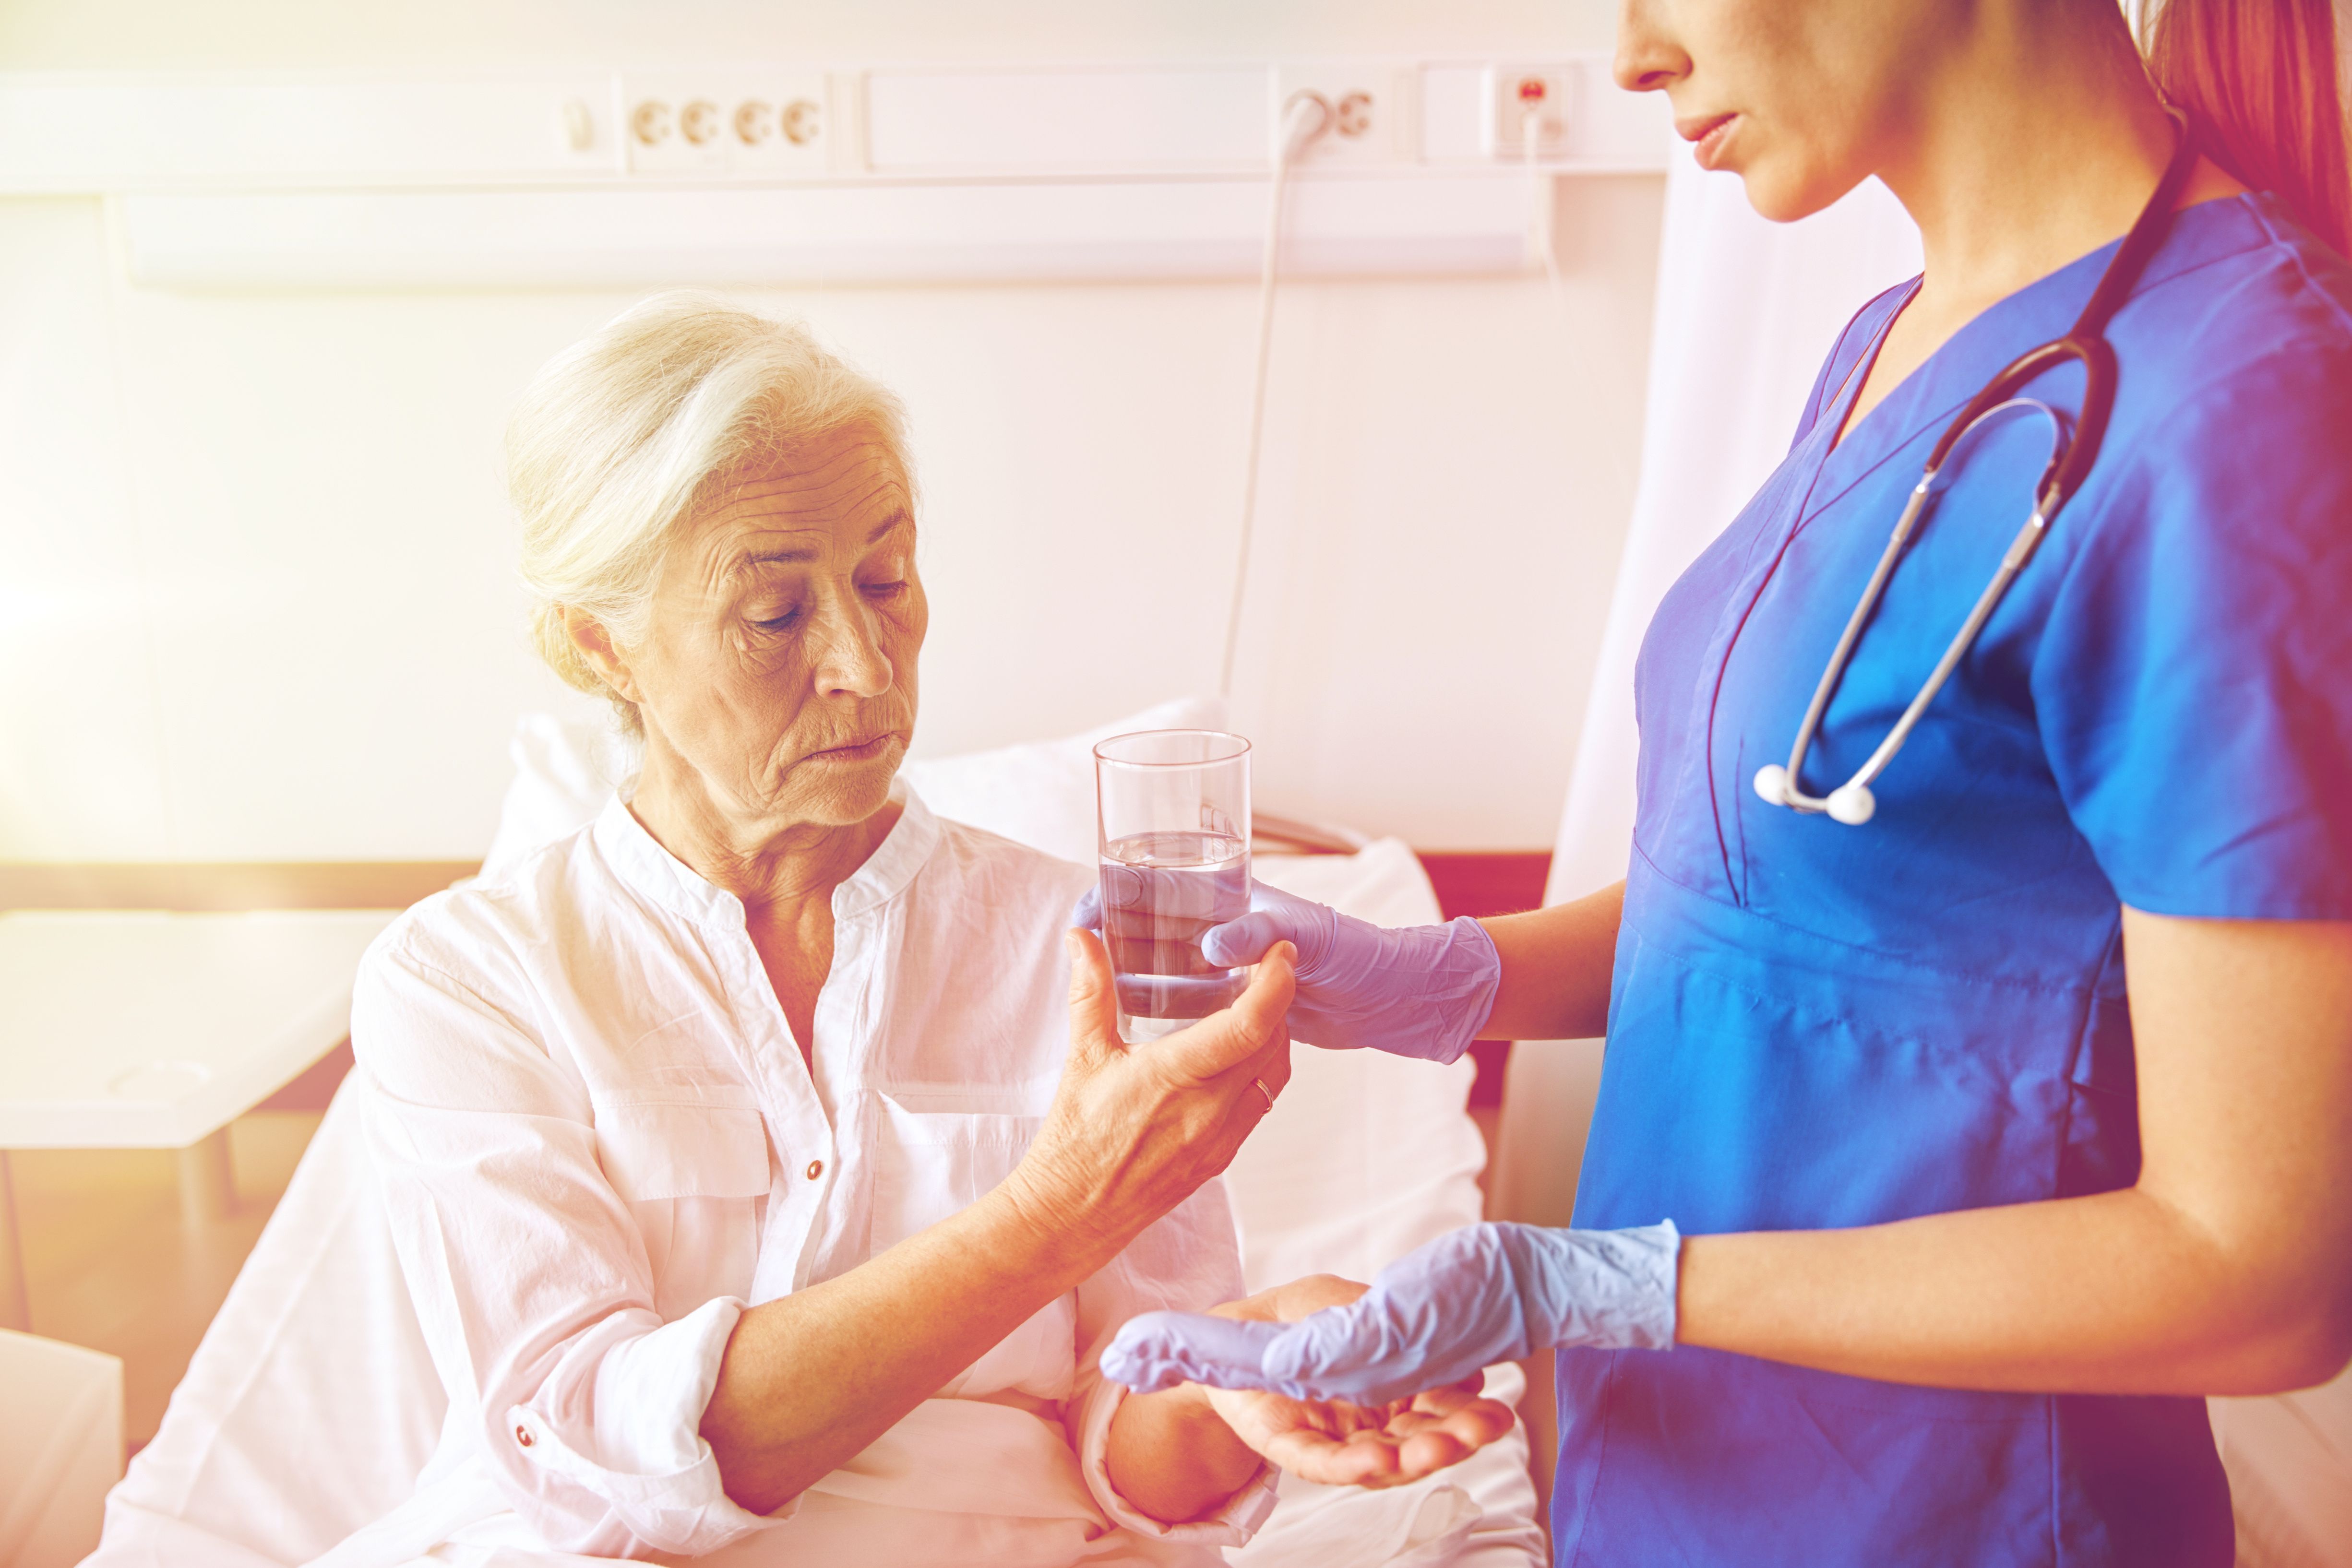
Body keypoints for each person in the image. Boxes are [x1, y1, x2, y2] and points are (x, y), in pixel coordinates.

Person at [1099, 1, 2352, 1562]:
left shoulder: (2243, 406)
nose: (1631, 57)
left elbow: (2261, 1272)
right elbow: (1795, 909)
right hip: (1676, 1492)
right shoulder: (1903, 336)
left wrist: (1599, 1282)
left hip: (1947, 1519)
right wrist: (1448, 980)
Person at [335, 294, 1511, 1568]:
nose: (866, 662)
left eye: (886, 580)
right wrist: (1054, 1209)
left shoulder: (1082, 944)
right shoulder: (468, 981)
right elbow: (594, 1460)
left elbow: (1135, 1450)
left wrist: (1255, 1366)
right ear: (598, 644)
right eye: (776, 614)